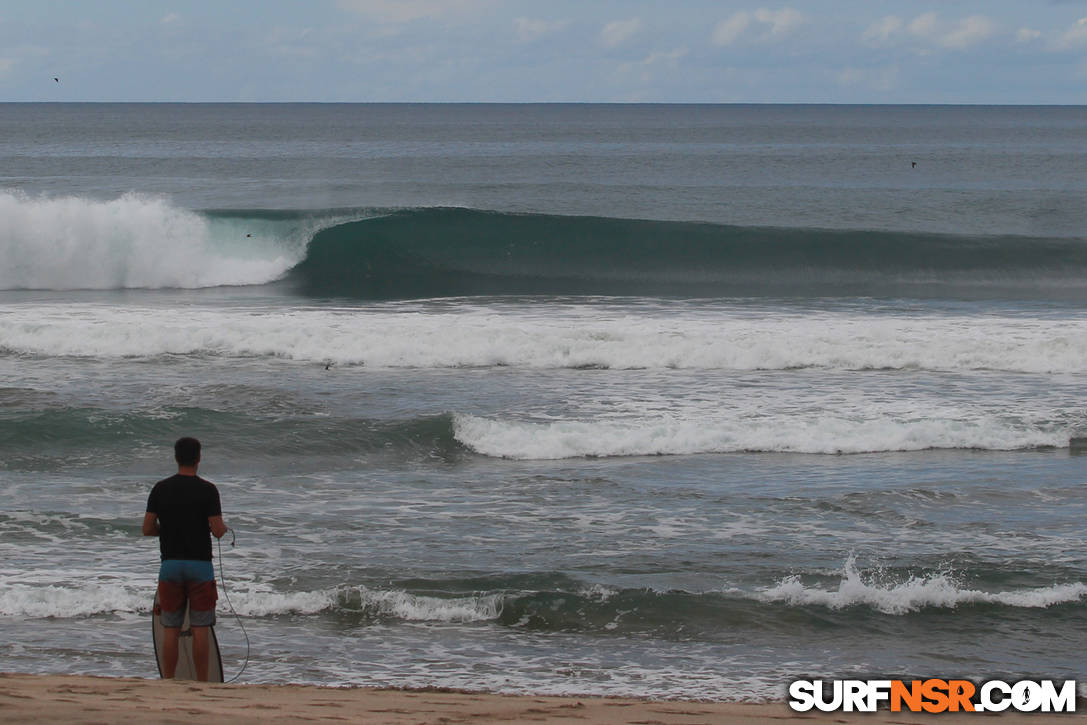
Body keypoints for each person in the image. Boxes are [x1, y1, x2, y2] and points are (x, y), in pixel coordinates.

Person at [142, 437, 228, 681]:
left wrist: (167, 530)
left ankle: (167, 681)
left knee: (170, 627)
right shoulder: (208, 490)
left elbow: (147, 528)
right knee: (201, 628)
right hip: (200, 566)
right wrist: (222, 529)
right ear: (199, 458)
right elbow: (217, 529)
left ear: (176, 457)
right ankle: (203, 683)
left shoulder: (160, 488)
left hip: (170, 565)